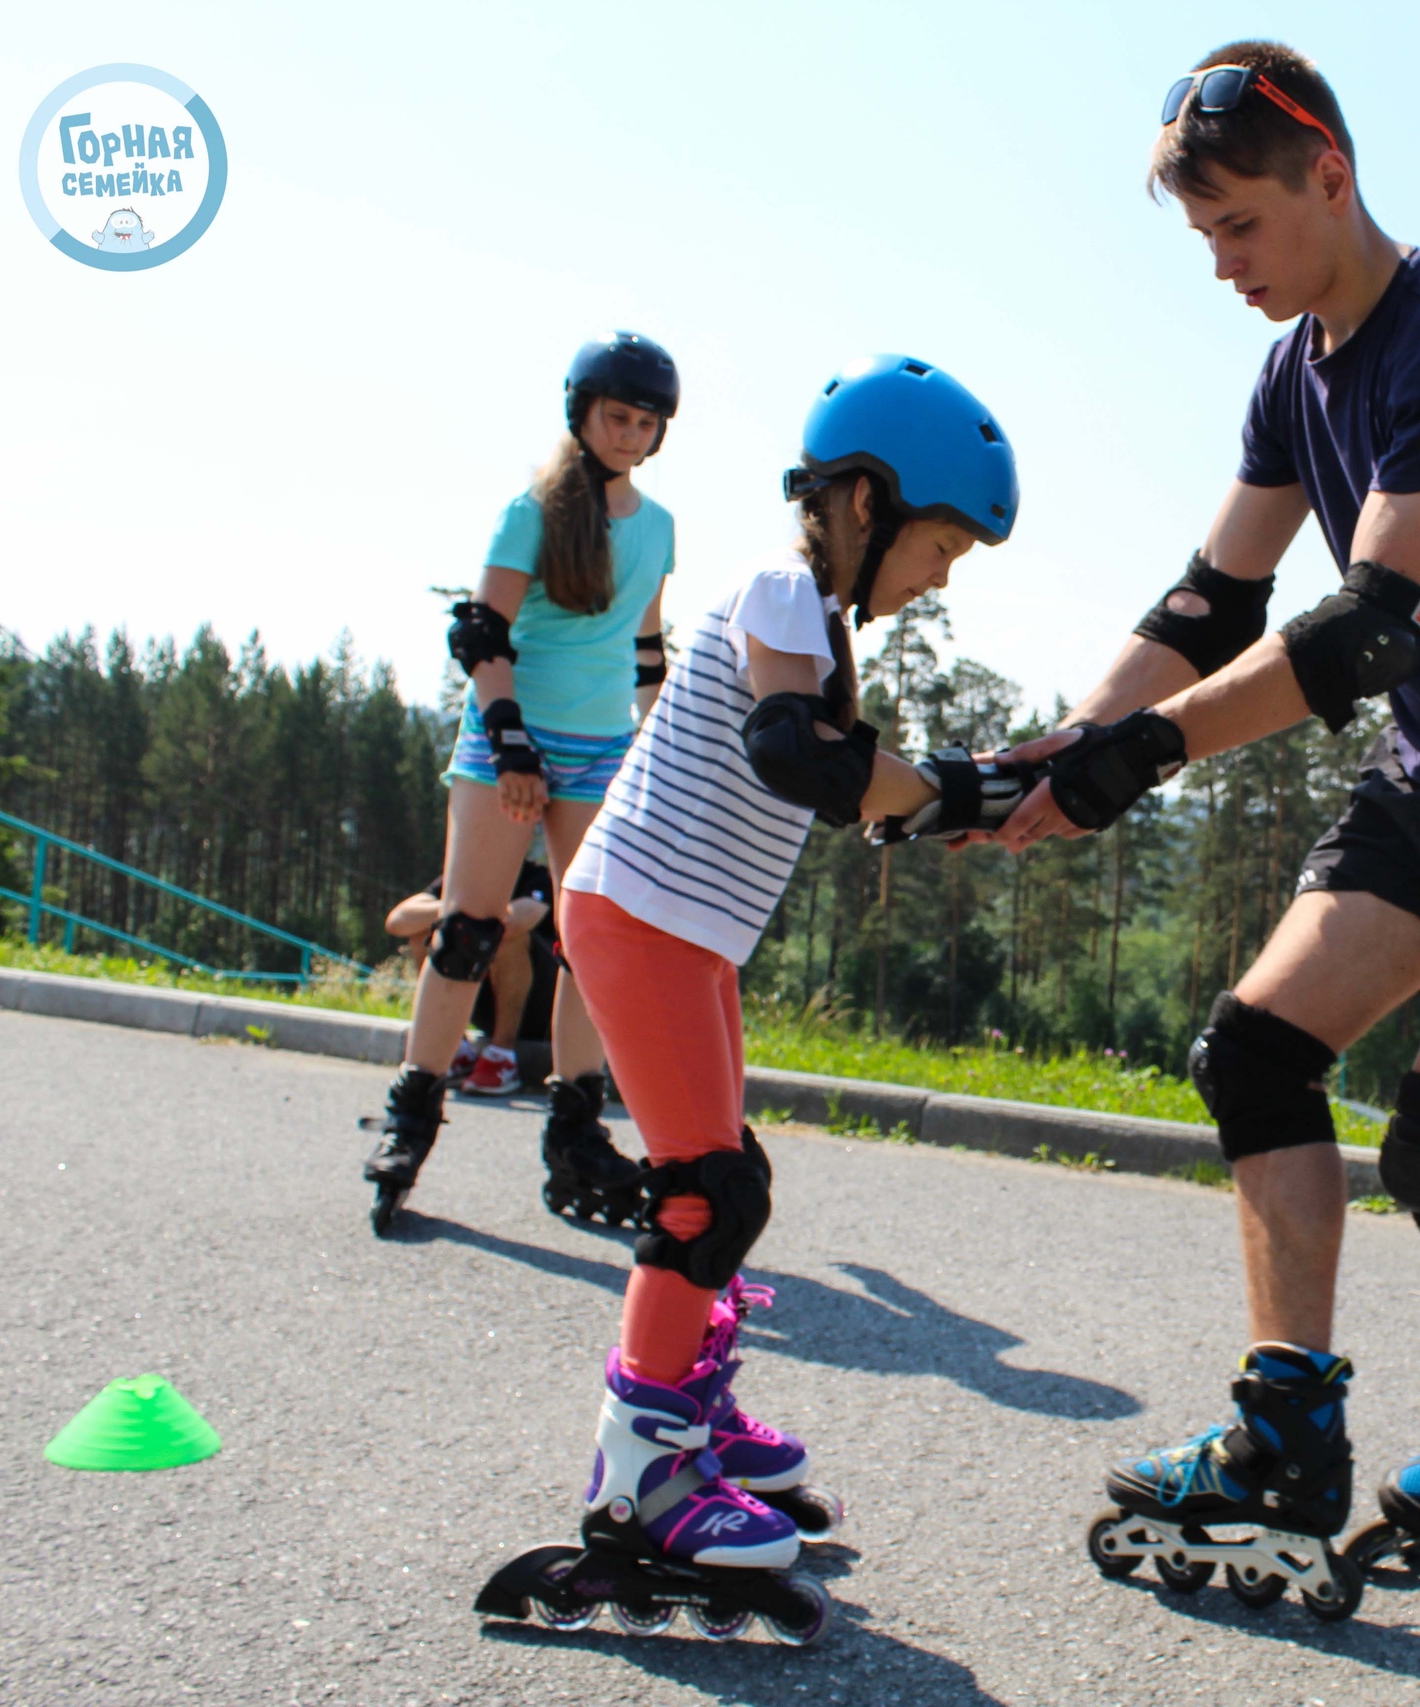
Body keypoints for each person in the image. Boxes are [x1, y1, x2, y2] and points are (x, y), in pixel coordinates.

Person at [1008, 42, 1420, 1618]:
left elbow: (1375, 624)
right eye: (1202, 241)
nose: (1223, 267)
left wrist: (1145, 755)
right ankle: (1284, 1430)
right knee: (1251, 1052)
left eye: (1239, 226)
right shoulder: (1291, 367)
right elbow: (1210, 601)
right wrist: (1059, 752)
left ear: (1330, 175)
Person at [480, 355, 1036, 1635]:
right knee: (704, 1196)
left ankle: (695, 1412)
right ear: (858, 501)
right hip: (641, 917)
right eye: (941, 541)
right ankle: (642, 1479)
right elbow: (797, 751)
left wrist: (976, 792)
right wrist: (955, 787)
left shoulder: (817, 623)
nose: (943, 572)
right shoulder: (786, 589)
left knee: (728, 1176)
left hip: (685, 933)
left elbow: (858, 778)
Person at [359, 332, 678, 1235]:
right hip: (509, 742)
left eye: (647, 422)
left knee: (590, 944)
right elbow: (481, 634)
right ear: (582, 411)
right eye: (619, 415)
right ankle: (409, 1121)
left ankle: (577, 1135)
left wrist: (664, 741)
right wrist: (511, 745)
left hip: (599, 750)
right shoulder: (532, 511)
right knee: (467, 929)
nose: (631, 433)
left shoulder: (657, 527)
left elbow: (647, 650)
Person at [380, 857, 558, 1095]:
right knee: (423, 933)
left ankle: (502, 1056)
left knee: (502, 937)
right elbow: (398, 921)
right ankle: (458, 1050)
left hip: (540, 1007)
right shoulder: (464, 876)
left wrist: (464, 910)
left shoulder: (537, 877)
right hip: (482, 999)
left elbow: (516, 921)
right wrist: (455, 907)